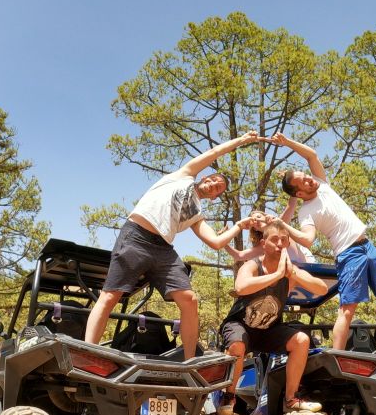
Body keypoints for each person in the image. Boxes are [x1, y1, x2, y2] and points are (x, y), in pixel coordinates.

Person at [84, 132, 258, 359]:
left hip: (163, 249)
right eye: (214, 180)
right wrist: (242, 141)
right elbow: (216, 152)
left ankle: (189, 361)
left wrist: (240, 225)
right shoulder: (183, 176)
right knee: (110, 296)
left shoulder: (197, 215)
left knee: (189, 299)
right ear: (205, 177)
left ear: (215, 197)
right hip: (136, 236)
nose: (215, 185)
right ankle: (87, 352)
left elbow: (216, 242)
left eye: (219, 188)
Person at [267, 132, 376, 354]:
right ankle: (337, 357)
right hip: (349, 253)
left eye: (306, 175)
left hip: (367, 245)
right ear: (300, 193)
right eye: (303, 181)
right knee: (348, 309)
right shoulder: (307, 212)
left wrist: (287, 143)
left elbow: (311, 155)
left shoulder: (322, 184)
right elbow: (307, 239)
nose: (308, 178)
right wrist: (283, 226)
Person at [218, 219, 328, 415]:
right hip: (240, 326)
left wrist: (291, 272)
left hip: (269, 330)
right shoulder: (252, 265)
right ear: (263, 244)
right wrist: (276, 275)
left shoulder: (290, 272)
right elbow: (241, 287)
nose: (279, 244)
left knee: (301, 340)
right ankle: (229, 396)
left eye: (283, 240)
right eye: (274, 239)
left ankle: (291, 399)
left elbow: (322, 288)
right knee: (237, 346)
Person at [224, 204, 315, 265]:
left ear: (266, 217)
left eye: (259, 217)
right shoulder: (264, 245)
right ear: (255, 229)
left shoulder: (280, 224)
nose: (256, 220)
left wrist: (289, 180)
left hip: (308, 266)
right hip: (291, 274)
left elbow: (291, 205)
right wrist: (224, 242)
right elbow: (239, 256)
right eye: (253, 220)